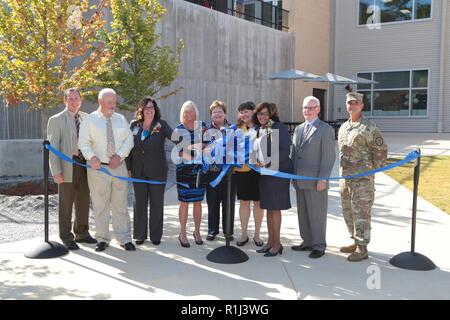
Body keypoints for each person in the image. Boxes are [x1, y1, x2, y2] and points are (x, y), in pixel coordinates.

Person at [78, 88, 135, 252]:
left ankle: (124, 238)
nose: (113, 105)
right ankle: (102, 239)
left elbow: (129, 141)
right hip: (98, 169)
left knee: (121, 205)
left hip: (119, 167)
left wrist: (120, 156)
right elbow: (83, 143)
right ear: (100, 102)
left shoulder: (121, 119)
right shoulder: (89, 120)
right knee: (100, 205)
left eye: (114, 102)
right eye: (109, 102)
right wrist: (91, 157)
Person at [338, 92, 387, 262]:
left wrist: (369, 170)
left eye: (355, 103)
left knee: (361, 214)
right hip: (345, 179)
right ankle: (355, 240)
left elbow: (381, 152)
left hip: (362, 182)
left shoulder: (368, 127)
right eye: (349, 103)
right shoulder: (344, 127)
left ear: (361, 106)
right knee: (348, 212)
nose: (352, 106)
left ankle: (363, 247)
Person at [47, 88, 96, 250]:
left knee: (83, 200)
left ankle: (81, 233)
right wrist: (56, 171)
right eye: (70, 98)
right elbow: (53, 148)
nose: (74, 101)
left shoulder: (86, 118)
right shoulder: (56, 120)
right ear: (65, 101)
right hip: (67, 165)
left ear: (81, 101)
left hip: (84, 165)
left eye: (76, 98)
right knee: (66, 202)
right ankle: (66, 236)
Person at [290, 96, 335, 259]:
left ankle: (319, 245)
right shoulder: (299, 128)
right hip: (299, 179)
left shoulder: (325, 129)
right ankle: (307, 241)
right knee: (303, 213)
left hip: (316, 181)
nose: (306, 111)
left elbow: (328, 157)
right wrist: (292, 176)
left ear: (318, 109)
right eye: (304, 108)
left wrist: (323, 178)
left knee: (317, 214)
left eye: (310, 108)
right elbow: (294, 154)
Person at [126, 97, 173, 246]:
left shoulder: (161, 125)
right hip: (138, 171)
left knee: (156, 204)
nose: (149, 110)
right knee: (139, 204)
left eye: (152, 107)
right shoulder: (134, 125)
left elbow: (176, 138)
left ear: (155, 109)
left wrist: (190, 147)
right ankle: (140, 235)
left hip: (157, 171)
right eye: (146, 108)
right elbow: (127, 147)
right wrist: (128, 167)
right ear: (141, 110)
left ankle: (155, 236)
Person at [253, 102, 293, 257]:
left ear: (271, 114)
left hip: (278, 172)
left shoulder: (279, 127)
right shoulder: (260, 129)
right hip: (265, 173)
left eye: (264, 113)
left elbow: (285, 150)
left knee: (275, 208)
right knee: (269, 208)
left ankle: (277, 244)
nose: (261, 116)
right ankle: (270, 242)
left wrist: (269, 162)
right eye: (259, 114)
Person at [173, 100, 207, 248]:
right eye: (186, 111)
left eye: (191, 111)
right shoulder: (178, 130)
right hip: (184, 170)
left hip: (199, 170)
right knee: (184, 202)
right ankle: (182, 233)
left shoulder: (202, 127)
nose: (189, 114)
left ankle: (197, 232)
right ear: (182, 114)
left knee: (198, 202)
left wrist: (195, 149)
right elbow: (180, 151)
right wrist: (195, 150)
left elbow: (208, 145)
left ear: (195, 112)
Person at [204, 100, 236, 241]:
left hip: (230, 173)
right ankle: (212, 230)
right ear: (211, 115)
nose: (217, 114)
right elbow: (203, 150)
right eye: (214, 112)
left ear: (225, 113)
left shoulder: (233, 129)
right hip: (212, 172)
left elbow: (237, 148)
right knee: (212, 202)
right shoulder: (205, 131)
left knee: (229, 203)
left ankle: (228, 231)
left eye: (220, 111)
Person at [234, 101, 264, 247]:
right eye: (241, 112)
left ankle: (257, 235)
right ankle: (244, 234)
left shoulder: (263, 127)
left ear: (253, 112)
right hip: (242, 171)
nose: (243, 114)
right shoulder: (237, 129)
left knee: (258, 203)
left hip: (259, 171)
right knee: (244, 202)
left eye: (246, 111)